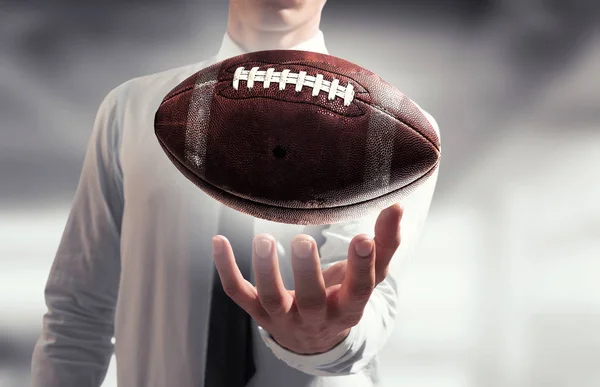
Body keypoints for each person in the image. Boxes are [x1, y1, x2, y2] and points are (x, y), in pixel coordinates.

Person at [30, 0, 440, 386]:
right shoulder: (131, 109)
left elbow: (369, 303)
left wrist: (323, 339)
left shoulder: (393, 134)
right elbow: (78, 312)